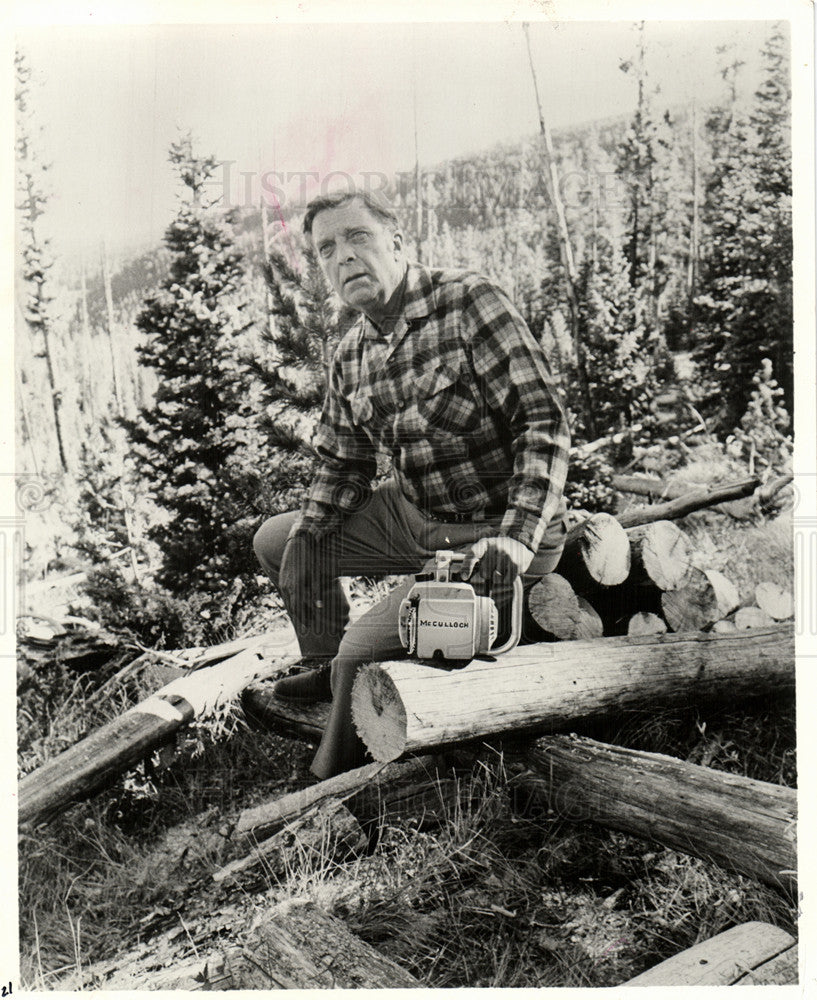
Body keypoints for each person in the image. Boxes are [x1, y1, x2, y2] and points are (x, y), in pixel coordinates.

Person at [253, 189, 570, 779]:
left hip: (494, 531)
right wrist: (312, 531)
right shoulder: (351, 353)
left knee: (363, 652)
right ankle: (324, 663)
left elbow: (543, 422)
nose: (343, 257)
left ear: (396, 242)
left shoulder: (469, 303)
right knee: (281, 540)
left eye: (357, 237)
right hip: (414, 514)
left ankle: (331, 782)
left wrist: (519, 538)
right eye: (326, 250)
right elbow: (343, 461)